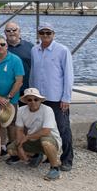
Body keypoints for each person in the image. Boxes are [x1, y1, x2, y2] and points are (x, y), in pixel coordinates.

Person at [29, 22, 74, 171]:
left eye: (48, 33)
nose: (45, 36)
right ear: (38, 34)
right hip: (39, 97)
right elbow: (33, 73)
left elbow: (68, 75)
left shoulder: (62, 50)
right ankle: (43, 154)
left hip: (56, 97)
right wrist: (31, 93)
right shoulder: (34, 50)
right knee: (38, 126)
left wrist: (66, 97)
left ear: (53, 34)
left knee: (63, 128)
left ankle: (67, 159)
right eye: (42, 33)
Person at [11, 88, 62, 181]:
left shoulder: (47, 110)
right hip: (32, 139)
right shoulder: (21, 110)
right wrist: (19, 147)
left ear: (40, 100)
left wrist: (27, 137)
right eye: (29, 100)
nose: (33, 102)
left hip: (50, 138)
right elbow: (19, 130)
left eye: (36, 99)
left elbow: (46, 131)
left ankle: (55, 168)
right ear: (26, 101)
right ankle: (38, 156)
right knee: (11, 150)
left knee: (46, 142)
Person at [5, 21, 34, 91]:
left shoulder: (30, 47)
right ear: (5, 33)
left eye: (14, 30)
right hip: (6, 90)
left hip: (26, 89)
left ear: (19, 31)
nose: (11, 32)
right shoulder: (0, 47)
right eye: (8, 31)